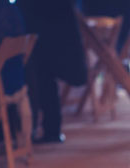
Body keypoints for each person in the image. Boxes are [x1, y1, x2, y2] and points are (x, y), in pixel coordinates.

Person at [16, 0, 87, 143]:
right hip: (51, 31)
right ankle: (50, 129)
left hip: (44, 32)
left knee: (44, 80)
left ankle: (49, 130)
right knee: (45, 81)